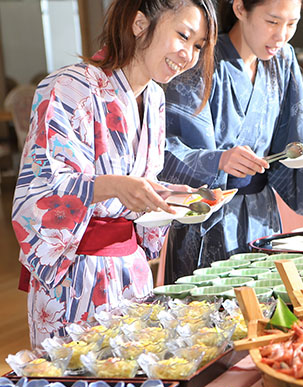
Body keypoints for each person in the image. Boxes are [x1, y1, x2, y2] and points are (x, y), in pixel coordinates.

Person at [11, 0, 217, 347]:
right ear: (140, 24)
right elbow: (40, 192)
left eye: (198, 46)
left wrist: (166, 195)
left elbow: (135, 182)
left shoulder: (154, 98)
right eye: (183, 35)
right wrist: (114, 187)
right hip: (74, 277)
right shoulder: (67, 87)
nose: (189, 55)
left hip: (131, 273)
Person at [161, 0, 303, 282]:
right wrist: (218, 160)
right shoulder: (199, 59)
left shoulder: (282, 59)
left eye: (291, 24)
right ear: (240, 9)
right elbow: (162, 150)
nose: (281, 36)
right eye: (272, 22)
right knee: (206, 319)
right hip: (207, 221)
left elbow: (302, 136)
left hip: (262, 217)